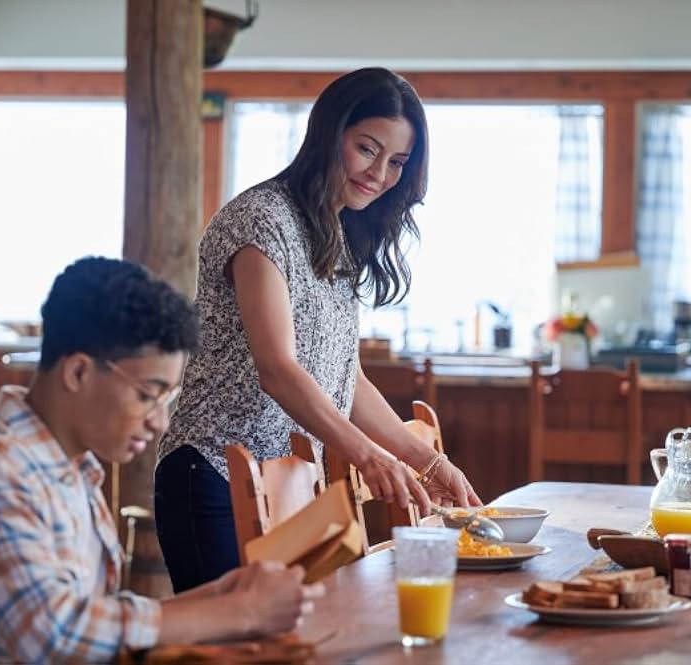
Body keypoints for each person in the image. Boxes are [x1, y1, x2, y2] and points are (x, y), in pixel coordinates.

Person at [156, 67, 482, 593]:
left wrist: (426, 459)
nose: (379, 174)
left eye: (397, 161)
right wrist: (368, 455)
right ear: (329, 134)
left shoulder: (337, 231)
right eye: (367, 148)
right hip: (212, 475)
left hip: (287, 485)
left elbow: (344, 378)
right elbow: (278, 371)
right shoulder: (260, 221)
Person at [0, 257, 324, 663]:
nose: (160, 422)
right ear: (78, 373)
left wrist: (224, 596)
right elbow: (56, 636)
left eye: (167, 399)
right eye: (147, 395)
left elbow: (91, 615)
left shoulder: (71, 469)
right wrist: (241, 612)